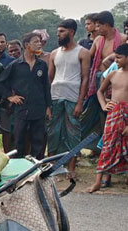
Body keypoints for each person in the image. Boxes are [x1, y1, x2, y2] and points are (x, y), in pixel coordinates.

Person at [47, 19, 91, 178]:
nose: (58, 35)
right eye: (58, 32)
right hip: (55, 96)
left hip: (73, 98)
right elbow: (49, 78)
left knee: (73, 132)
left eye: (62, 31)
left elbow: (85, 78)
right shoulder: (54, 53)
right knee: (53, 131)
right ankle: (51, 166)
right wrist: (47, 104)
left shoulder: (83, 52)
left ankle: (71, 168)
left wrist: (80, 102)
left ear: (71, 32)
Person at [0, 32, 52, 159]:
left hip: (38, 107)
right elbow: (0, 82)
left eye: (40, 41)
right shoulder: (15, 65)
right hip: (21, 108)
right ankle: (18, 168)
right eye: (36, 42)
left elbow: (46, 86)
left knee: (38, 139)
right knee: (19, 139)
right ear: (27, 45)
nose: (39, 44)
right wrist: (10, 97)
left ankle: (36, 168)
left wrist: (48, 107)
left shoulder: (42, 65)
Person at [88, 43, 128, 192]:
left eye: (119, 58)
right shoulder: (113, 73)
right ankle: (98, 182)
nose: (116, 61)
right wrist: (104, 104)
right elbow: (100, 91)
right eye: (115, 58)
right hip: (114, 113)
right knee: (108, 146)